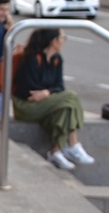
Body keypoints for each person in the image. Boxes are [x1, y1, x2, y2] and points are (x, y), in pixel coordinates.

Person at [12, 28, 95, 170]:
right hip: (25, 106)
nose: (64, 41)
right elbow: (28, 91)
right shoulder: (32, 58)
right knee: (71, 97)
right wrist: (47, 93)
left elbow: (59, 87)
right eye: (63, 38)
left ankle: (56, 151)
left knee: (65, 110)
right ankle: (73, 145)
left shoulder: (57, 59)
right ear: (54, 41)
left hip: (44, 103)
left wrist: (46, 93)